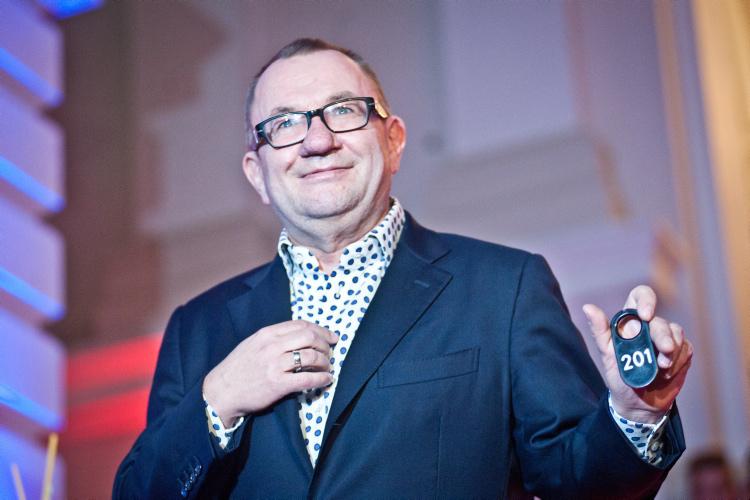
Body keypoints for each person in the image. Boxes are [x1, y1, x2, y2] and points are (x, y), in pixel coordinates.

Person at [114, 38, 692, 499]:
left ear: (393, 141)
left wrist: (635, 413)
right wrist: (218, 400)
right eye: (285, 123)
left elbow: (579, 483)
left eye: (343, 111)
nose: (316, 140)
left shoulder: (503, 290)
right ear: (257, 173)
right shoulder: (199, 328)